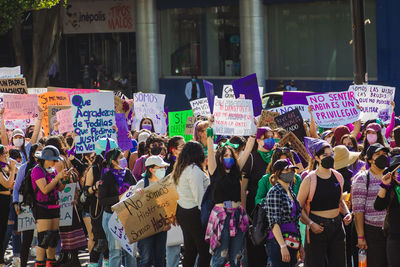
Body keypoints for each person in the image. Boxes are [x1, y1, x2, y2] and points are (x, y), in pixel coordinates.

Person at [205, 117, 253, 267]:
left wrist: (253, 130)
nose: (228, 158)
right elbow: (210, 146)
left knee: (237, 256)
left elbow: (248, 149)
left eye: (231, 155)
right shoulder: (214, 170)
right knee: (220, 255)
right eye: (225, 156)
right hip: (221, 216)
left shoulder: (237, 170)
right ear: (219, 158)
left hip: (238, 214)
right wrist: (210, 126)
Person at [297, 137, 352, 267]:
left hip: (337, 227)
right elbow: (298, 208)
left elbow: (340, 201)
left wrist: (347, 213)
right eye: (325, 155)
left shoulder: (338, 177)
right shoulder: (309, 179)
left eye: (331, 154)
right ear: (316, 158)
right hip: (317, 228)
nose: (329, 157)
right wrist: (311, 223)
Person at [173, 141, 211, 267]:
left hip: (183, 211)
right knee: (204, 250)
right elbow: (199, 196)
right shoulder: (193, 170)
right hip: (195, 213)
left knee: (190, 250)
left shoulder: (181, 167)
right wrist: (206, 216)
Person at [98, 148, 137, 267]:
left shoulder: (128, 173)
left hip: (128, 217)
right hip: (112, 218)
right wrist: (119, 197)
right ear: (114, 162)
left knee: (131, 252)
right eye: (121, 157)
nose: (124, 159)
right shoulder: (106, 177)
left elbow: (135, 187)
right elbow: (102, 201)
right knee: (115, 252)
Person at [352, 143, 389, 267]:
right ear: (369, 159)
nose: (382, 157)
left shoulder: (392, 176)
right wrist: (361, 236)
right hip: (373, 231)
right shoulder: (362, 179)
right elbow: (358, 210)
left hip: (391, 230)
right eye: (377, 154)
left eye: (384, 154)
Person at [32, 145, 68, 267]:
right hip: (42, 208)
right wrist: (57, 177)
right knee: (44, 239)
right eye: (54, 159)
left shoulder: (53, 170)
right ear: (47, 159)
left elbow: (60, 188)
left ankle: (50, 263)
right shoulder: (37, 170)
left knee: (53, 239)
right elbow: (45, 189)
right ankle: (39, 263)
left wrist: (64, 180)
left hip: (55, 207)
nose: (55, 162)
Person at [135, 156, 170, 267]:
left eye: (163, 167)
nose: (163, 170)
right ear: (151, 169)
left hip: (161, 227)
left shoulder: (165, 184)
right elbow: (134, 207)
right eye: (160, 167)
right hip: (145, 228)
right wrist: (137, 195)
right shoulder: (142, 184)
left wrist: (168, 222)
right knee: (146, 259)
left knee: (160, 258)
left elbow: (169, 204)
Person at [265, 159, 301, 267]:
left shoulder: (290, 191)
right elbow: (274, 222)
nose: (290, 173)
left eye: (292, 170)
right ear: (278, 173)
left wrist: (301, 245)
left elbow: (296, 219)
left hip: (293, 239)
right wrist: (282, 246)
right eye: (287, 170)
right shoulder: (275, 191)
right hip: (279, 242)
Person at [13, 143, 43, 267]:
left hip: (42, 206)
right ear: (32, 153)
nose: (41, 152)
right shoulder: (24, 168)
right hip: (27, 206)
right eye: (38, 150)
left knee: (43, 238)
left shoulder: (45, 167)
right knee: (27, 239)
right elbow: (16, 187)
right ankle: (24, 264)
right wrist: (15, 203)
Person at [374, 155, 400, 266]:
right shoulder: (390, 190)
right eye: (398, 171)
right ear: (393, 175)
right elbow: (378, 206)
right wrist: (384, 185)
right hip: (395, 236)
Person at [0, 145, 16, 267]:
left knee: (3, 231)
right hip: (1, 202)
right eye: (4, 153)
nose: (7, 155)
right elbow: (8, 184)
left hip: (5, 202)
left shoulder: (2, 169)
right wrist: (13, 170)